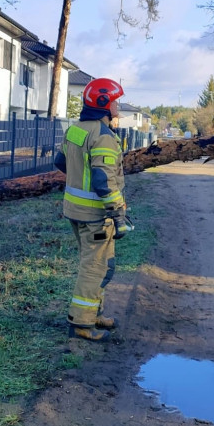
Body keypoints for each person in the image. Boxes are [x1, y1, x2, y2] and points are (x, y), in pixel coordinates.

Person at [55, 77, 130, 342]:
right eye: (114, 101)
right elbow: (103, 180)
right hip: (97, 216)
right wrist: (118, 210)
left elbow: (60, 162)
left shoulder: (76, 130)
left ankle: (94, 313)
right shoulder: (104, 136)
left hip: (75, 211)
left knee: (102, 264)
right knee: (95, 268)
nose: (117, 106)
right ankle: (82, 324)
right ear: (103, 103)